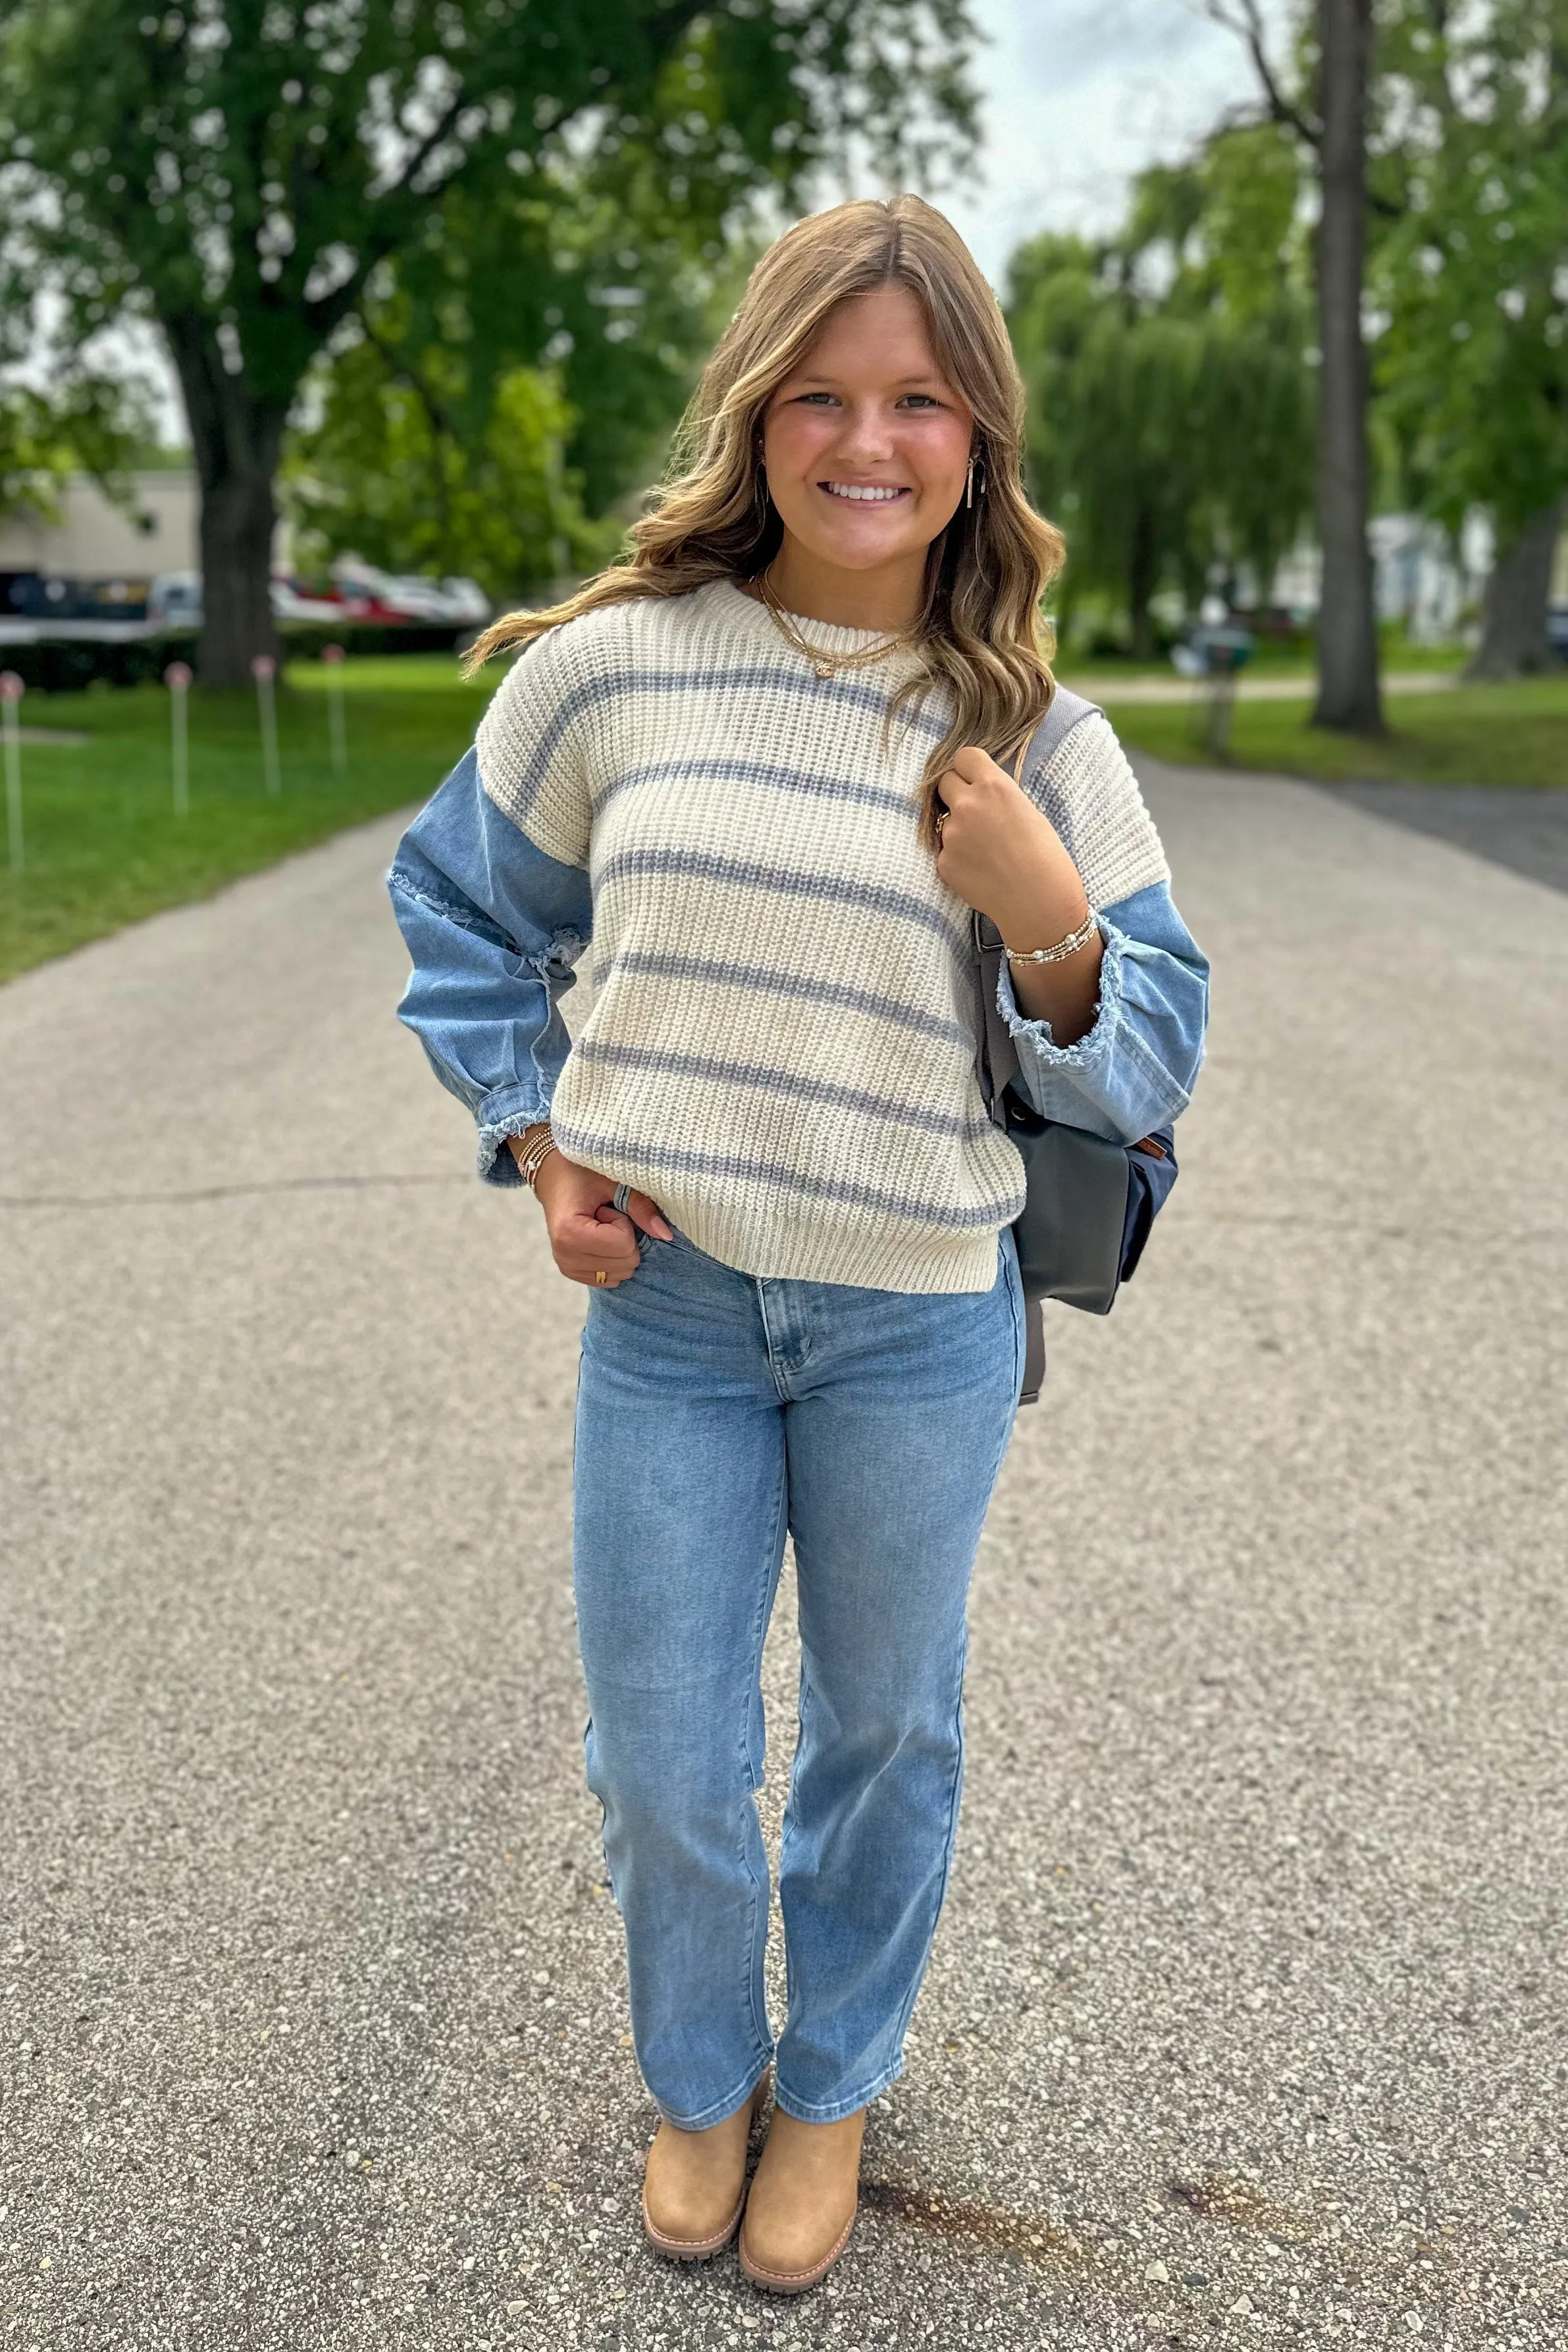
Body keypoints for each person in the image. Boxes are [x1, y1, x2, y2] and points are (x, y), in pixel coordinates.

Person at [387, 194, 1208, 2297]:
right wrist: (537, 1128)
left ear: (978, 438)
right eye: (822, 395)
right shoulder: (611, 671)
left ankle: (828, 2084)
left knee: (880, 1734)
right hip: (665, 1311)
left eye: (919, 398)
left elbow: (1148, 1059)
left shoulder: (1038, 739)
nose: (868, 441)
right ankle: (697, 2076)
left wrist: (1039, 902)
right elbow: (458, 910)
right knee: (663, 1754)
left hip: (912, 1323)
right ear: (757, 419)